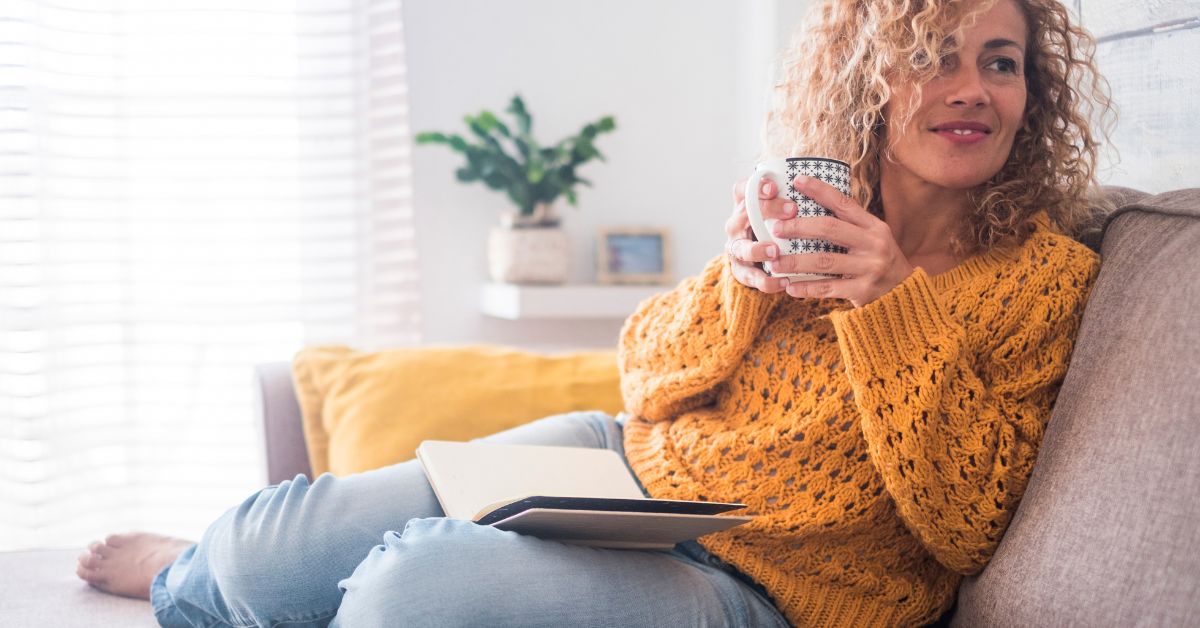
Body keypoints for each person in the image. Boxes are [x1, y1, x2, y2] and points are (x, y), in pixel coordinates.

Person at [76, 0, 1113, 625]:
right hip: (621, 467)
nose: (971, 88)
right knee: (265, 537)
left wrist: (889, 304)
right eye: (935, 52)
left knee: (411, 593)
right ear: (873, 76)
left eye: (1000, 60)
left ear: (1033, 94)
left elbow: (970, 523)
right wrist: (735, 281)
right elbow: (646, 376)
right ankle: (195, 577)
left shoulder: (1046, 277)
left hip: (767, 589)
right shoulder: (816, 206)